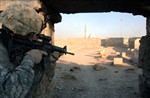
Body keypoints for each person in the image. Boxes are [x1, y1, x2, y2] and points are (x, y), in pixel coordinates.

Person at [0, 4, 62, 98]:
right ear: (13, 32)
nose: (35, 38)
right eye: (31, 34)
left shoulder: (12, 46)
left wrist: (49, 60)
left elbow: (30, 81)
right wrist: (30, 59)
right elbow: (9, 92)